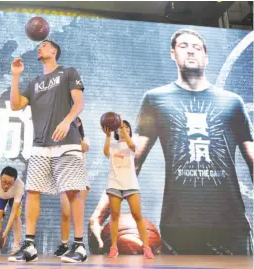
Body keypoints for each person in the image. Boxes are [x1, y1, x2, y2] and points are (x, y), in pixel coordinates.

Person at [89, 29, 254, 255]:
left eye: (197, 48)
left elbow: (253, 159)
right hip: (178, 226)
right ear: (172, 54)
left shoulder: (232, 103)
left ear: (206, 58)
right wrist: (100, 214)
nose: (191, 51)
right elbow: (132, 162)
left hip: (231, 224)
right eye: (184, 46)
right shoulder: (156, 99)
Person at [8, 40, 87, 263]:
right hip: (40, 144)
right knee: (32, 191)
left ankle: (79, 246)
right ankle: (30, 246)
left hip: (67, 141)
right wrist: (15, 76)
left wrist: (67, 122)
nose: (39, 48)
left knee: (72, 191)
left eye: (44, 45)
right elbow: (15, 105)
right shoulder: (34, 82)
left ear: (54, 51)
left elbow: (79, 103)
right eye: (38, 46)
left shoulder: (68, 72)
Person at [102, 120, 154, 259]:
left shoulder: (132, 144)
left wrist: (123, 128)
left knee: (137, 216)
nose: (123, 129)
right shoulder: (113, 145)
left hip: (131, 185)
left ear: (129, 130)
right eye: (120, 128)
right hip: (114, 185)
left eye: (126, 127)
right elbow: (106, 152)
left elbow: (131, 145)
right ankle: (114, 247)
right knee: (114, 216)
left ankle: (146, 247)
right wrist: (108, 136)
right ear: (116, 131)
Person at [54, 117, 90, 257]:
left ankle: (78, 243)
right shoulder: (62, 138)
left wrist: (75, 134)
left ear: (79, 123)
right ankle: (64, 244)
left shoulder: (84, 139)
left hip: (80, 179)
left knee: (76, 212)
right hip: (65, 177)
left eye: (74, 121)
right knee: (66, 212)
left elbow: (84, 147)